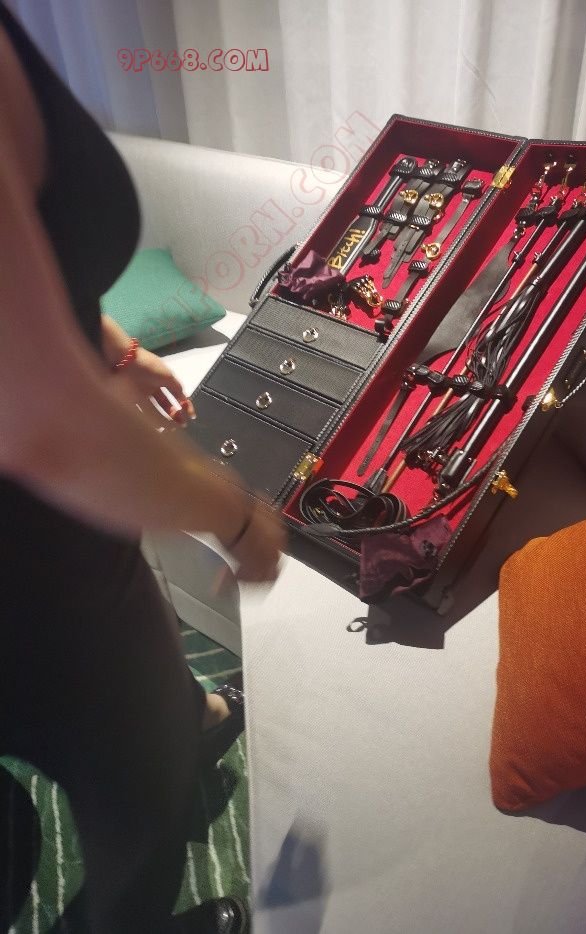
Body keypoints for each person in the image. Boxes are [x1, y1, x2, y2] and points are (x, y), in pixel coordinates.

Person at [0, 4, 284, 933]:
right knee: (142, 810)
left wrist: (111, 344)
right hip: (32, 559)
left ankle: (197, 717)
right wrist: (236, 515)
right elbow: (51, 430)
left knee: (146, 709)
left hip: (49, 540)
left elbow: (32, 255)